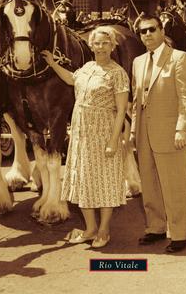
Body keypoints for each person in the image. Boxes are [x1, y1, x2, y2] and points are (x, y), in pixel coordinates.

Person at [41, 26, 129, 249]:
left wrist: (113, 141)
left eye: (105, 43)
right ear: (91, 45)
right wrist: (53, 63)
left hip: (103, 132)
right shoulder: (87, 67)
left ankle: (104, 230)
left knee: (106, 182)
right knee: (83, 180)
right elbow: (72, 79)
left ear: (112, 46)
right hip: (81, 134)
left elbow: (121, 110)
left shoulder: (117, 73)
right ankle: (90, 229)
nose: (100, 47)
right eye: (96, 43)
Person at [130, 15, 186, 253]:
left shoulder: (179, 58)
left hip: (170, 132)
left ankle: (180, 235)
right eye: (143, 31)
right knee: (149, 184)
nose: (147, 35)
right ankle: (156, 228)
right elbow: (137, 99)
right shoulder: (138, 62)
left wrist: (182, 128)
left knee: (174, 185)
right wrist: (133, 129)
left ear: (161, 31)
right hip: (144, 132)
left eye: (151, 29)